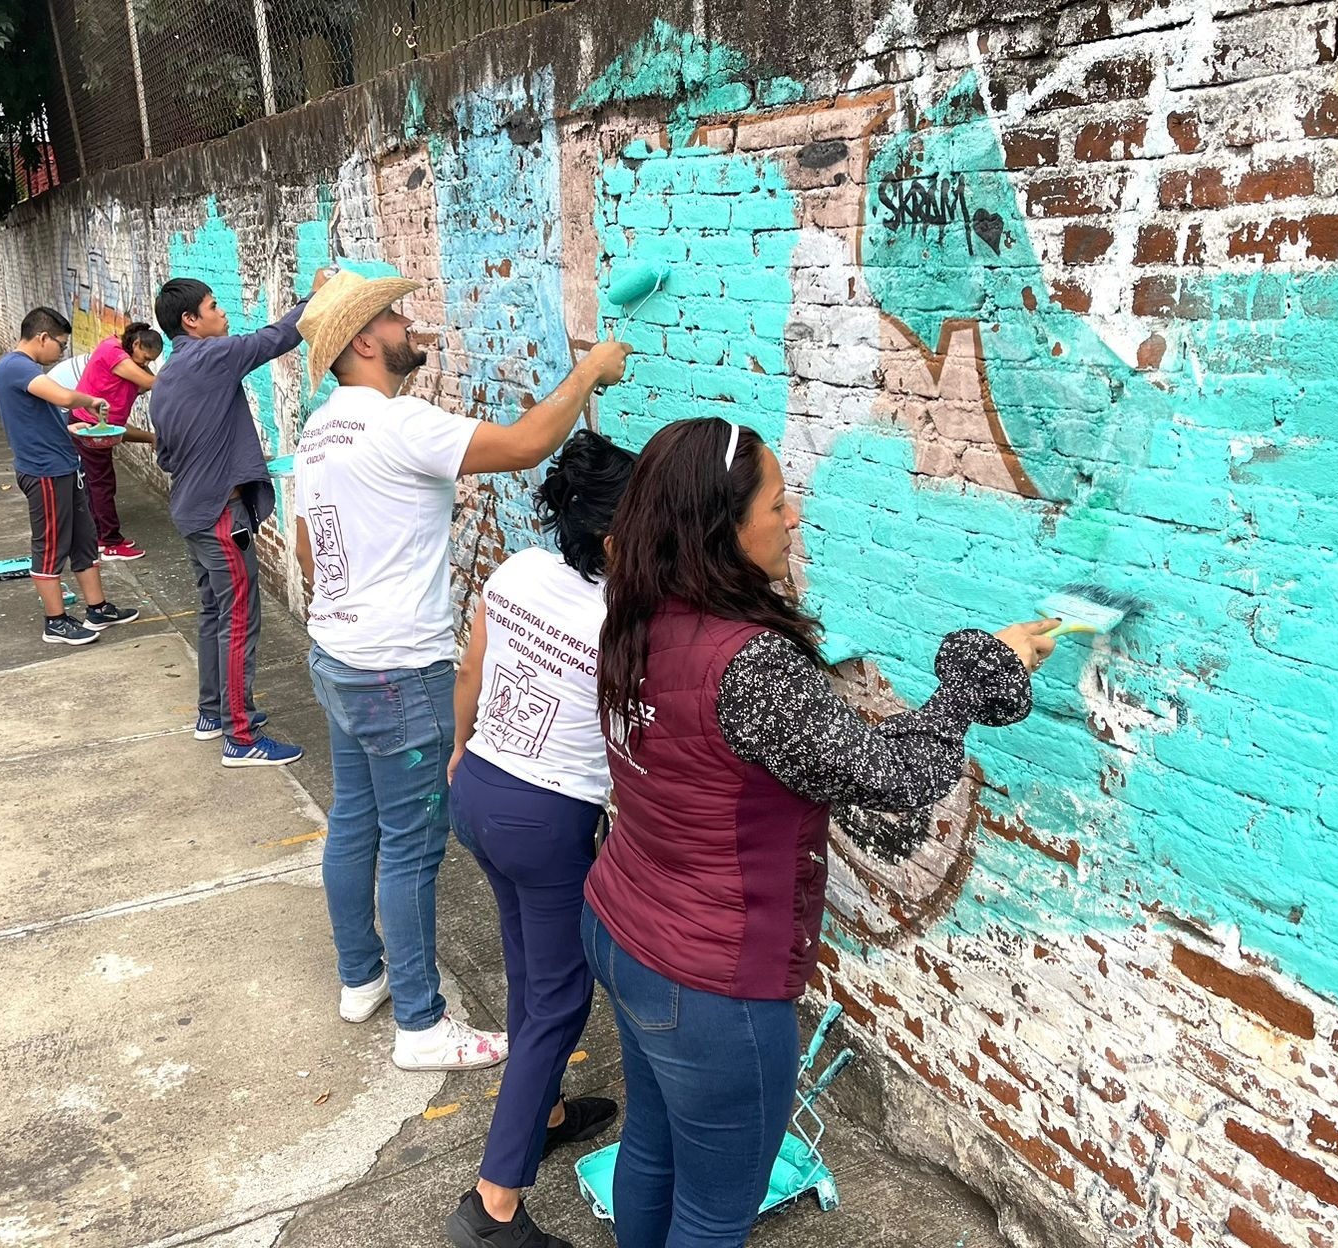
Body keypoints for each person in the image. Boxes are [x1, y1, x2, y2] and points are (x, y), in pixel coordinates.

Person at [583, 417, 1060, 1247]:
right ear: (721, 531)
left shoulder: (636, 613)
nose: (792, 515)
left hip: (626, 926)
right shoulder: (750, 665)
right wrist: (979, 676)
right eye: (774, 502)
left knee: (655, 1150)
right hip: (708, 981)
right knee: (712, 1211)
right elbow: (896, 777)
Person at [289, 270, 632, 1079]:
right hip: (399, 672)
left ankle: (359, 978)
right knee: (411, 849)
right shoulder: (397, 421)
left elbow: (307, 550)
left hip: (336, 655)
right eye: (396, 315)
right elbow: (520, 448)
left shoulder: (321, 429)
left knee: (355, 821)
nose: (413, 324)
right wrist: (588, 372)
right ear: (364, 341)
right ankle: (420, 1022)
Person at [444, 430, 637, 1248]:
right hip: (547, 818)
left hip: (480, 790)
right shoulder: (626, 618)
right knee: (561, 998)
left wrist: (459, 750)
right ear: (616, 537)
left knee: (529, 961)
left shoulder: (521, 569)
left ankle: (547, 1109)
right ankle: (493, 1204)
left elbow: (471, 670)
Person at [150, 268, 329, 767]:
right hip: (219, 516)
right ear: (190, 321)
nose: (222, 312)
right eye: (213, 307)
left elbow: (167, 456)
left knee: (213, 613)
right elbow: (276, 338)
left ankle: (215, 713)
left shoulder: (167, 377)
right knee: (238, 621)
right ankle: (241, 738)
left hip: (192, 510)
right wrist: (316, 296)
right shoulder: (211, 356)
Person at [0, 308, 142, 646]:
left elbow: (37, 415)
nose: (61, 351)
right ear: (42, 338)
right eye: (60, 344)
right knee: (49, 545)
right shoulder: (16, 366)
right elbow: (62, 396)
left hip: (64, 466)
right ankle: (55, 621)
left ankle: (97, 608)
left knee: (84, 541)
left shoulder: (25, 371)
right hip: (44, 472)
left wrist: (70, 426)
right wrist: (91, 400)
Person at [71, 322, 163, 562]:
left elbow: (144, 384)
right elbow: (155, 383)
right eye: (145, 357)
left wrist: (151, 437)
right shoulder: (114, 352)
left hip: (98, 427)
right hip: (90, 427)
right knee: (102, 484)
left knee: (98, 482)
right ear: (135, 344)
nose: (146, 363)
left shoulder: (124, 358)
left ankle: (101, 537)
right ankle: (111, 543)